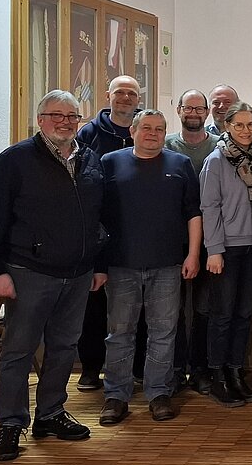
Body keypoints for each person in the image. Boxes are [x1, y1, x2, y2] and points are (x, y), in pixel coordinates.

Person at [0, 90, 105, 462]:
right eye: (56, 115)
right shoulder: (15, 160)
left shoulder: (90, 159)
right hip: (29, 272)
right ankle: (11, 423)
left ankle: (50, 413)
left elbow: (98, 216)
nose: (65, 122)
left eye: (72, 116)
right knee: (18, 350)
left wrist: (98, 263)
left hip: (78, 273)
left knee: (64, 347)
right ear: (40, 119)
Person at [98, 110, 202, 426]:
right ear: (133, 131)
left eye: (159, 129)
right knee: (120, 333)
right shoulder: (109, 163)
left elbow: (193, 214)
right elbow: (97, 216)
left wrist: (193, 254)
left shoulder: (180, 164)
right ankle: (116, 396)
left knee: (164, 332)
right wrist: (98, 263)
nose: (153, 134)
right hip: (121, 264)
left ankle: (159, 393)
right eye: (146, 128)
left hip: (167, 264)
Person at [74, 74, 140, 391]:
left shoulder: (144, 129)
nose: (125, 98)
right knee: (94, 304)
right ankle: (90, 367)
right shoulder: (88, 133)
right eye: (120, 92)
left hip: (134, 233)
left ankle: (137, 367)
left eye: (132, 93)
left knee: (136, 307)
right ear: (108, 96)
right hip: (98, 231)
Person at [199, 102, 252, 408]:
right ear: (227, 126)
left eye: (250, 124)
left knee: (243, 315)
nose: (245, 130)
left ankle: (236, 372)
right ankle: (218, 377)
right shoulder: (216, 160)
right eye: (239, 125)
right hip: (226, 248)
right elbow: (209, 207)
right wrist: (214, 250)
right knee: (222, 315)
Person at [164, 89, 216, 394]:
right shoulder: (166, 145)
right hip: (172, 240)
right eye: (188, 108)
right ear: (179, 110)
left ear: (207, 112)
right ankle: (173, 370)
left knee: (203, 309)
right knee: (171, 311)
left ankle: (200, 370)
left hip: (211, 241)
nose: (194, 113)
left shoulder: (218, 146)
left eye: (199, 108)